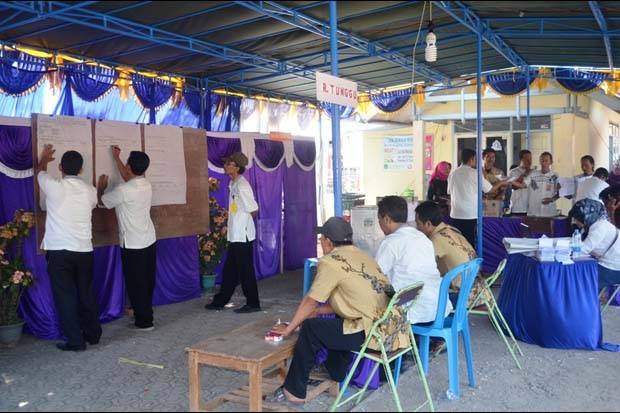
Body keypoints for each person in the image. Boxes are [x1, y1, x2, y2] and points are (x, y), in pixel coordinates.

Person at [266, 217, 408, 406]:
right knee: (330, 322)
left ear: (327, 242)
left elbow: (310, 300)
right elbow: (353, 300)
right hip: (394, 328)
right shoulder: (363, 255)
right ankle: (336, 371)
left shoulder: (330, 262)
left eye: (321, 239)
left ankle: (294, 390)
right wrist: (318, 312)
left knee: (310, 328)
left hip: (373, 334)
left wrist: (290, 328)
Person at [37, 145, 101, 352]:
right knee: (86, 293)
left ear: (61, 167)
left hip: (59, 251)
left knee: (65, 296)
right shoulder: (91, 191)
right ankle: (93, 334)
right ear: (81, 170)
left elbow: (39, 172)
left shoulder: (54, 186)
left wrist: (44, 158)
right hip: (84, 250)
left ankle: (75, 341)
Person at [97, 146, 157, 331]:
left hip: (133, 243)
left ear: (130, 167)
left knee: (136, 282)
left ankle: (144, 321)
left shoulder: (123, 190)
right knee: (146, 280)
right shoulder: (145, 184)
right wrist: (117, 158)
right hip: (148, 239)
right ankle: (144, 314)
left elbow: (101, 203)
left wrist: (101, 188)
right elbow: (128, 176)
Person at [375, 196, 451, 324]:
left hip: (414, 311)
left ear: (386, 219)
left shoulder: (391, 243)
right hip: (439, 306)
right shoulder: (422, 237)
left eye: (379, 219)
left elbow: (375, 274)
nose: (379, 223)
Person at [205, 152, 261, 313]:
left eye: (229, 163)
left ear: (237, 167)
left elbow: (254, 209)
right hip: (235, 235)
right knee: (231, 270)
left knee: (245, 271)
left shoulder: (242, 186)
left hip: (242, 237)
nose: (225, 166)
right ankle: (220, 301)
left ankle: (253, 303)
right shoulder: (234, 183)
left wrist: (243, 225)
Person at [415, 201, 486, 307]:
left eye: (418, 224)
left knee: (421, 298)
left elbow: (420, 267)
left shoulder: (435, 240)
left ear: (428, 224)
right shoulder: (452, 230)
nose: (417, 228)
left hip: (465, 297)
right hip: (482, 292)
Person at [448, 148, 507, 248]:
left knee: (457, 244)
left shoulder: (452, 173)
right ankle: (471, 263)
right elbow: (490, 190)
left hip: (455, 214)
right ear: (472, 159)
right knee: (469, 244)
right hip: (470, 215)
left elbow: (449, 192)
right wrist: (502, 182)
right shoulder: (475, 173)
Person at [569, 199, 620, 295]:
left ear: (586, 216)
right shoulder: (596, 224)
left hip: (614, 268)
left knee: (581, 281)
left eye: (577, 218)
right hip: (608, 264)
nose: (575, 221)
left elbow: (583, 250)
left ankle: (585, 307)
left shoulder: (599, 228)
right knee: (579, 274)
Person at [527, 152, 560, 217]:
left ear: (551, 162)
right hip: (533, 212)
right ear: (539, 161)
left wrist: (551, 200)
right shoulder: (533, 174)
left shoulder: (554, 175)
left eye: (546, 161)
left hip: (549, 212)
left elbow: (560, 192)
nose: (544, 163)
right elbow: (526, 185)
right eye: (542, 160)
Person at [508, 150, 534, 216]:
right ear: (521, 159)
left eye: (530, 158)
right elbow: (514, 187)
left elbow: (535, 188)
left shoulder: (534, 172)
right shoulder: (513, 172)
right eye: (527, 158)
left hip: (531, 208)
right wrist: (525, 174)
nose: (529, 161)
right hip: (518, 207)